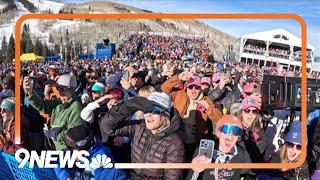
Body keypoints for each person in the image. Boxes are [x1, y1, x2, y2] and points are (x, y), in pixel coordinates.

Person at [100, 92, 184, 179]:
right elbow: (107, 127)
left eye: (154, 111)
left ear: (165, 115)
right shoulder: (139, 126)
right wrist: (127, 107)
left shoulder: (174, 143)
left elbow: (172, 177)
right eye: (146, 110)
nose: (148, 115)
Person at [161, 71, 222, 163]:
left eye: (196, 87)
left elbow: (219, 118)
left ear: (200, 89)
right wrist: (179, 78)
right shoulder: (180, 95)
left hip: (196, 141)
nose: (193, 90)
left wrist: (208, 109)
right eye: (190, 87)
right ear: (186, 88)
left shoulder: (206, 100)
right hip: (177, 138)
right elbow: (164, 88)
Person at [23, 74, 86, 150]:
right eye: (58, 88)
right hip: (53, 145)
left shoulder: (76, 107)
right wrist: (30, 92)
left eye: (62, 89)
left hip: (65, 150)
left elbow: (76, 134)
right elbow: (42, 106)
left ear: (71, 90)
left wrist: (55, 134)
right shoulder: (60, 101)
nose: (59, 91)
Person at [187, 115, 252, 179]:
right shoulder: (204, 150)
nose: (230, 135)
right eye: (226, 129)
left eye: (236, 131)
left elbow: (247, 174)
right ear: (218, 132)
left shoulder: (240, 153)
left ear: (238, 137)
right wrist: (195, 171)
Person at [54, 125, 127, 180]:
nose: (68, 147)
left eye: (71, 145)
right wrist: (66, 177)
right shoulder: (72, 150)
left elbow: (109, 176)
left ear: (82, 145)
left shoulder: (101, 156)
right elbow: (57, 161)